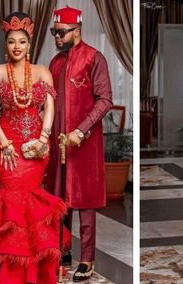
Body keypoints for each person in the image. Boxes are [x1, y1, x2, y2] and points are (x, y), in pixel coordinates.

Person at [0, 12, 69, 284]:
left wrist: (44, 139)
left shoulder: (42, 71)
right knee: (10, 197)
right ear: (6, 44)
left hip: (35, 146)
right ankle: (7, 266)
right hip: (6, 144)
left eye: (22, 41)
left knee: (31, 199)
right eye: (12, 41)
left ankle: (32, 267)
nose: (17, 47)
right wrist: (4, 142)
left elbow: (49, 107)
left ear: (29, 43)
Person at [46, 6, 113, 282]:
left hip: (84, 146)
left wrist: (82, 131)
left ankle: (87, 259)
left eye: (61, 32)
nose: (57, 37)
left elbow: (105, 99)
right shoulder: (55, 63)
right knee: (59, 198)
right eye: (54, 32)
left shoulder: (94, 58)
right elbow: (48, 102)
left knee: (85, 202)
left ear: (77, 30)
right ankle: (63, 251)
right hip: (57, 143)